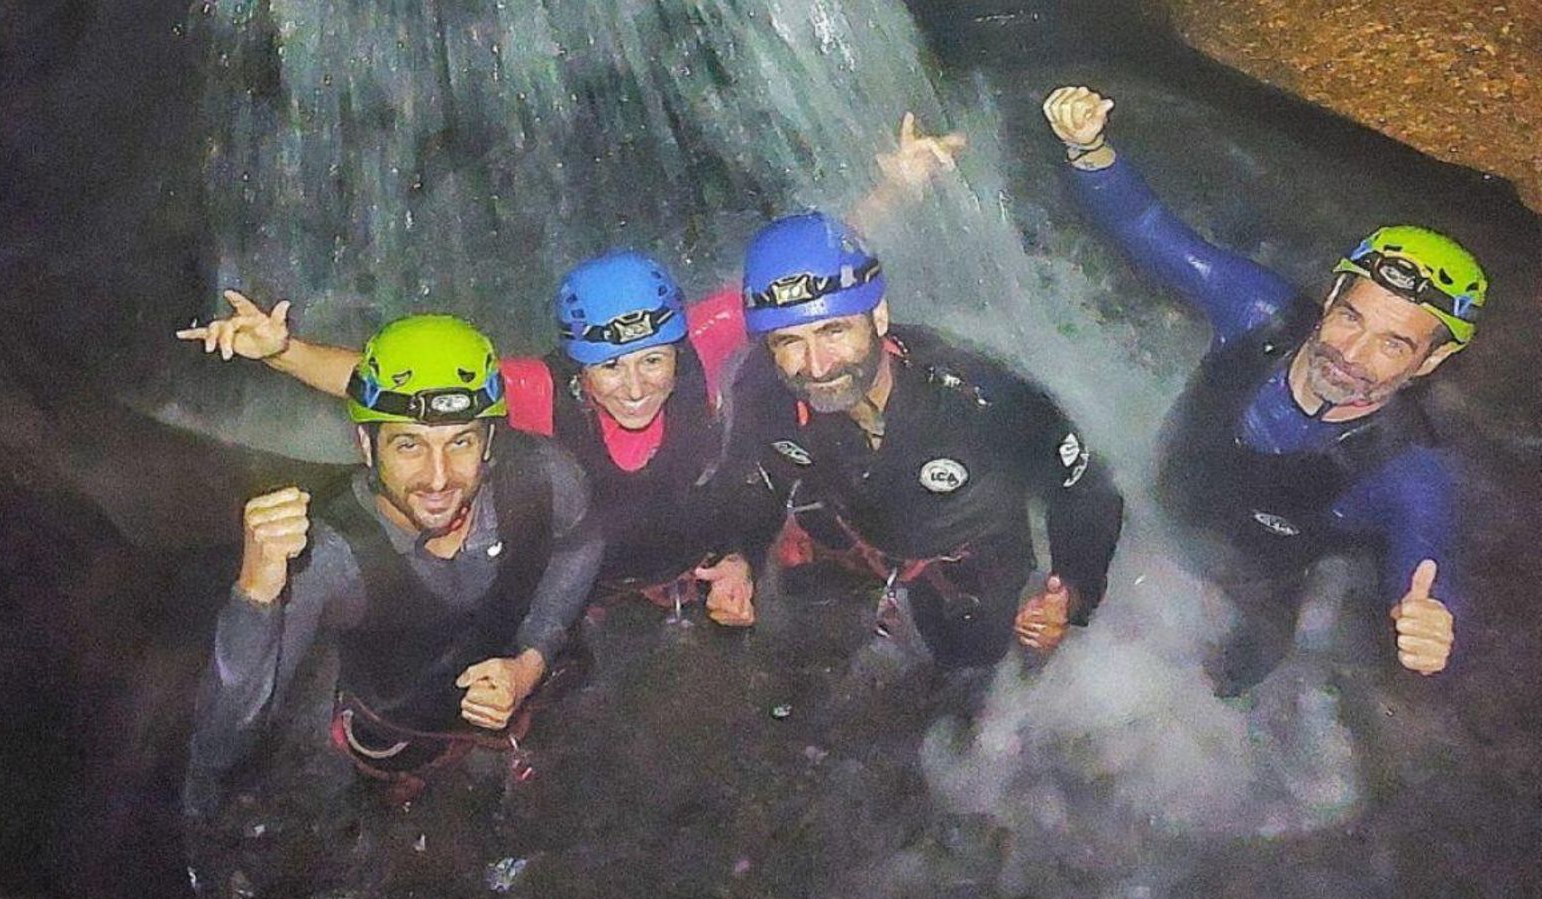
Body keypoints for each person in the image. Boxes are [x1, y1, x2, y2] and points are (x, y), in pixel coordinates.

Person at [179, 113, 967, 627]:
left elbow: (801, 284)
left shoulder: (708, 336)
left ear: (676, 345)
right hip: (602, 577)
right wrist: (283, 351)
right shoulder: (538, 391)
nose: (636, 386)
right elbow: (399, 388)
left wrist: (895, 186)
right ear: (576, 368)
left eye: (653, 361)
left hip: (702, 546)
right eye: (609, 369)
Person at [1042, 85, 1473, 694]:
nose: (1350, 353)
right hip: (1154, 513)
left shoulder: (1405, 466)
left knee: (1225, 687)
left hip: (1258, 587)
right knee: (1083, 617)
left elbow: (1427, 563)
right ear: (1330, 298)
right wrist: (1089, 151)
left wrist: (1431, 618)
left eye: (1393, 344)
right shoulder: (1258, 316)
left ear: (1432, 361)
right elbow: (1149, 230)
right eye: (1352, 317)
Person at [185, 315, 602, 810]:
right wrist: (255, 593)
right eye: (409, 445)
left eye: (461, 441)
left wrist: (532, 660)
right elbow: (223, 743)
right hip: (398, 741)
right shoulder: (331, 555)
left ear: (489, 441)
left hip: (524, 701)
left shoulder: (543, 476)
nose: (439, 478)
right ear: (366, 445)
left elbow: (580, 546)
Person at [725, 210, 1126, 669]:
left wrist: (1071, 591)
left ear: (878, 316)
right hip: (853, 546)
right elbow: (752, 481)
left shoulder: (980, 399)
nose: (816, 367)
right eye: (788, 342)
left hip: (970, 560)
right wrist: (739, 555)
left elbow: (1086, 488)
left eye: (833, 331)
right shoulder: (763, 393)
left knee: (974, 671)